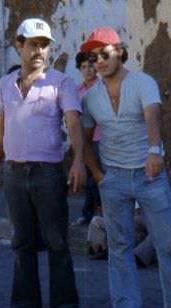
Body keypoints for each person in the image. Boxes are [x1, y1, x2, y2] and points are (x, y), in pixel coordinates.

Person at [80, 27, 171, 308]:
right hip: (113, 178)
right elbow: (84, 138)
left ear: (120, 51)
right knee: (119, 246)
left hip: (148, 174)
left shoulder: (143, 82)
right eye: (94, 57)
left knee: (168, 240)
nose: (99, 62)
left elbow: (152, 116)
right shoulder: (91, 98)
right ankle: (126, 306)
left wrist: (155, 151)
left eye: (105, 54)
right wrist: (98, 174)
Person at [0, 18, 85, 308]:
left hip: (48, 172)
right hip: (14, 173)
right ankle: (24, 307)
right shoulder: (4, 85)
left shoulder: (60, 83)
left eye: (44, 44)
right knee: (21, 242)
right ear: (19, 46)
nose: (39, 50)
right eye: (33, 44)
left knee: (56, 241)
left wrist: (78, 160)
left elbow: (74, 123)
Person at [73, 51, 102, 226]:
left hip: (102, 140)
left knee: (97, 180)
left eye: (91, 66)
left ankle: (97, 215)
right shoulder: (77, 91)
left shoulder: (103, 87)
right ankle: (88, 215)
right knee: (89, 180)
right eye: (84, 67)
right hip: (85, 142)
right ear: (79, 69)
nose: (88, 70)